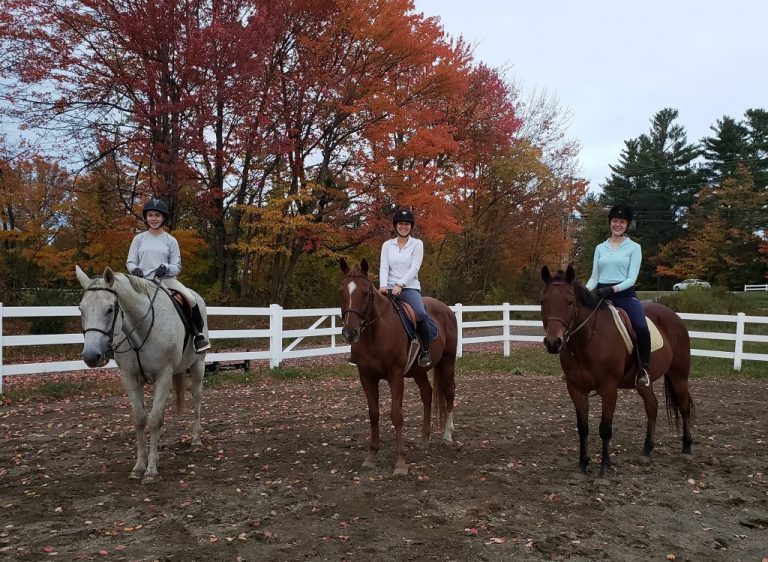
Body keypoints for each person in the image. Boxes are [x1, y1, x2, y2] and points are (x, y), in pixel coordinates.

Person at [126, 197, 211, 353]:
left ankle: (198, 336)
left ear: (163, 217)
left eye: (157, 215)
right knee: (119, 301)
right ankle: (115, 341)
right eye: (150, 215)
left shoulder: (170, 241)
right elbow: (130, 262)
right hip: (141, 281)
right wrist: (134, 269)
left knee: (191, 299)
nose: (153, 218)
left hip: (166, 281)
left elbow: (177, 266)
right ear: (146, 217)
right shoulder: (138, 239)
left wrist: (166, 267)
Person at [585, 203, 650, 387]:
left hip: (624, 295)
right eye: (615, 221)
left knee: (641, 326)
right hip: (601, 293)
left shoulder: (634, 247)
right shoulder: (600, 248)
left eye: (622, 222)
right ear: (610, 223)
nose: (618, 225)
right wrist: (583, 291)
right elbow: (594, 277)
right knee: (579, 321)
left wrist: (613, 289)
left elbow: (631, 278)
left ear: (627, 225)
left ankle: (644, 369)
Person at [379, 208, 432, 367]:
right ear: (395, 226)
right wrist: (382, 285)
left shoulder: (417, 244)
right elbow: (384, 267)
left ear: (411, 226)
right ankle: (358, 351)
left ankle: (425, 351)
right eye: (401, 224)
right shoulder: (387, 245)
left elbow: (415, 268)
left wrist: (400, 284)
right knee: (366, 308)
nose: (404, 227)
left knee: (421, 313)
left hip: (409, 288)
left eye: (407, 224)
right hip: (387, 288)